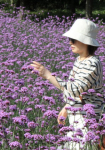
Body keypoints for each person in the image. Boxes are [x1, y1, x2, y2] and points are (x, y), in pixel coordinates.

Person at [31, 19, 104, 149]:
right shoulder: (80, 60)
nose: (70, 42)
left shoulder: (91, 63)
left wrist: (48, 75)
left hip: (88, 118)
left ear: (86, 41)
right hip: (78, 115)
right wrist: (66, 107)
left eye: (74, 39)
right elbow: (78, 92)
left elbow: (75, 89)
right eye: (70, 39)